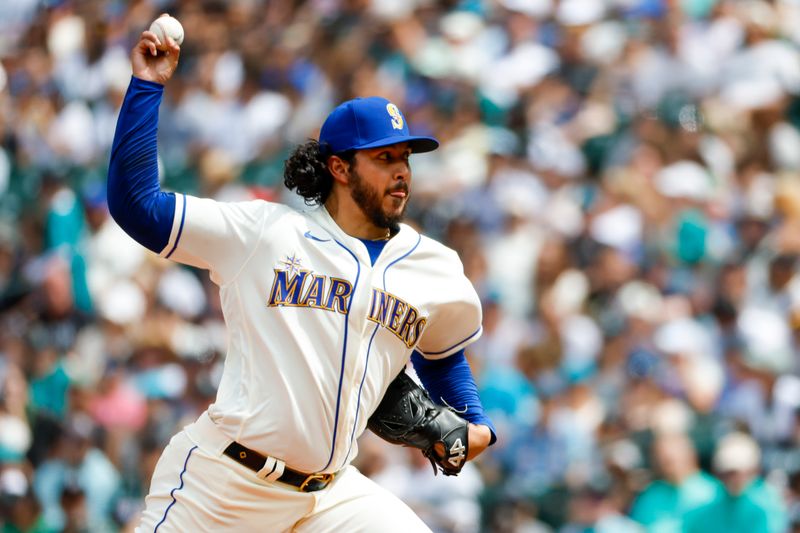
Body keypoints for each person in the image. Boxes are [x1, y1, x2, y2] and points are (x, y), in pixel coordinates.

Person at [107, 17, 495, 532]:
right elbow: (136, 206)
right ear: (339, 168)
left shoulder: (433, 265)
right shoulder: (265, 233)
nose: (402, 171)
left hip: (329, 497)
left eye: (405, 157)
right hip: (225, 486)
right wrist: (147, 86)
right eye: (384, 158)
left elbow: (443, 356)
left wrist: (474, 420)